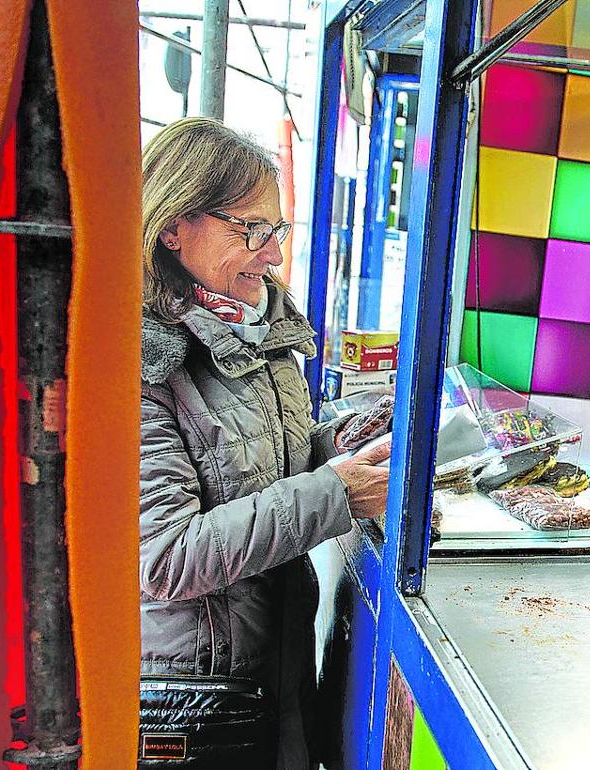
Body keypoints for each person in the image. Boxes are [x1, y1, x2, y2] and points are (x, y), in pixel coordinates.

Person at [138, 117, 390, 769]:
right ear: (173, 226)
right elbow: (167, 558)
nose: (272, 253)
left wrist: (341, 439)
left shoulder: (259, 323)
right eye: (249, 229)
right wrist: (336, 490)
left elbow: (261, 469)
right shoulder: (141, 360)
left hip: (274, 659)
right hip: (197, 694)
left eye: (275, 229)